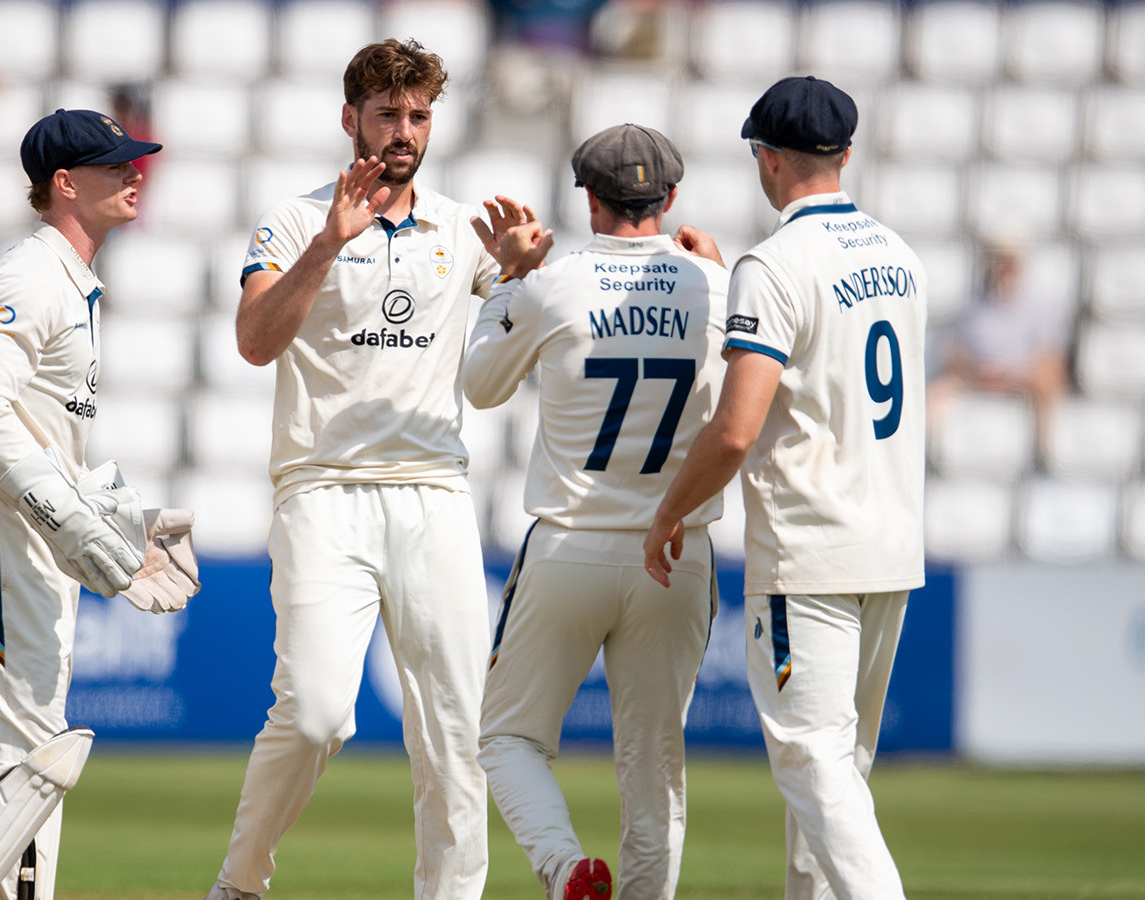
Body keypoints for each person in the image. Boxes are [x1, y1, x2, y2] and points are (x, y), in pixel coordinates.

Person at [204, 38, 499, 900]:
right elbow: (255, 342)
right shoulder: (296, 221)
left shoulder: (456, 226)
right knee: (314, 715)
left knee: (455, 728)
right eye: (386, 115)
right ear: (350, 120)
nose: (404, 131)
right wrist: (330, 245)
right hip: (323, 490)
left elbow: (527, 310)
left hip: (433, 492)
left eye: (417, 115)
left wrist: (523, 266)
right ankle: (240, 882)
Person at [642, 76, 926, 900]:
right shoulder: (899, 256)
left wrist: (670, 511)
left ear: (766, 160)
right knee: (838, 773)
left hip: (812, 553)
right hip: (890, 544)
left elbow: (734, 429)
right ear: (845, 153)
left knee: (813, 767)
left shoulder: (774, 265)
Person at [0, 108, 197, 900]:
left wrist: (106, 512)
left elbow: (39, 428)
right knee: (23, 758)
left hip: (24, 529)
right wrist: (59, 513)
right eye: (116, 165)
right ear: (65, 184)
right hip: (3, 525)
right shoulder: (32, 277)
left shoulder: (72, 281)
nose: (135, 174)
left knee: (28, 755)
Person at [466, 124, 730, 900]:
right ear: (671, 198)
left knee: (508, 737)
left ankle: (564, 867)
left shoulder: (555, 283)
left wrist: (511, 280)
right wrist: (713, 274)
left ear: (588, 198)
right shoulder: (715, 285)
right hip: (678, 551)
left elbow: (480, 386)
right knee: (654, 765)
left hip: (571, 544)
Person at [929, 230, 1067, 462]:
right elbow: (951, 352)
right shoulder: (973, 304)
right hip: (977, 375)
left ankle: (1044, 453)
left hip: (1023, 376)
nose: (1003, 268)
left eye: (1009, 262)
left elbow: (1051, 357)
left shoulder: (1040, 305)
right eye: (999, 260)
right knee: (936, 392)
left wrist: (1013, 372)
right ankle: (930, 453)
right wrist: (977, 369)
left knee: (1048, 380)